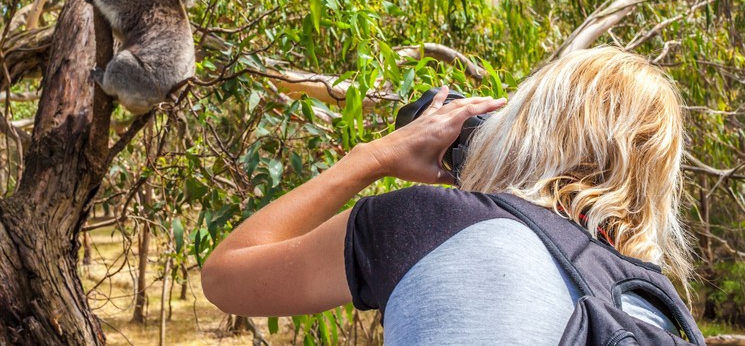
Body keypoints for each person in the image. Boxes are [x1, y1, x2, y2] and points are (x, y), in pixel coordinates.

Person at [201, 46, 695, 344]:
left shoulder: (433, 222)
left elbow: (228, 277)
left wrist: (374, 157)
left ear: (532, 125)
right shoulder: (663, 306)